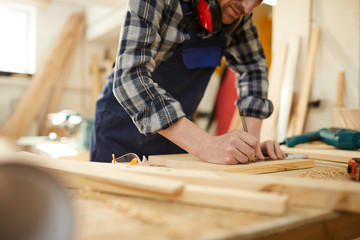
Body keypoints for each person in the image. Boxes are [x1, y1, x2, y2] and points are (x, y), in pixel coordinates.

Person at [90, 0, 286, 164]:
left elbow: (254, 70)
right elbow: (130, 77)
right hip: (120, 132)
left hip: (178, 135)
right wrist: (207, 145)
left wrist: (248, 147)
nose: (248, 7)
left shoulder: (237, 14)